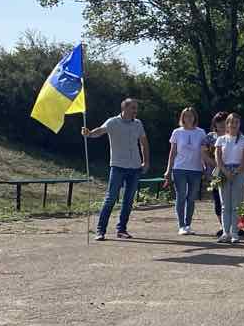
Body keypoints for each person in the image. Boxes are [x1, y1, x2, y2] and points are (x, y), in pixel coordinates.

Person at [83, 97, 149, 240]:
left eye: (136, 108)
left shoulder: (138, 124)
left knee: (128, 201)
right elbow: (100, 131)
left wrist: (146, 162)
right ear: (124, 108)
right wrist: (89, 134)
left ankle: (121, 230)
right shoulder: (113, 122)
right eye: (133, 108)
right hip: (118, 166)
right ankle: (100, 231)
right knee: (111, 198)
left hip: (135, 167)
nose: (135, 111)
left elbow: (144, 143)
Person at [163, 107, 208, 235]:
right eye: (186, 116)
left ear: (195, 117)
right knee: (181, 196)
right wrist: (168, 170)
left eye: (191, 116)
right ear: (182, 118)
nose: (188, 118)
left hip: (196, 169)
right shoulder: (177, 132)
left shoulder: (201, 132)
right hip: (179, 168)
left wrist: (205, 167)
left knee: (191, 197)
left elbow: (204, 151)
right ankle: (181, 225)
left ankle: (188, 225)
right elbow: (172, 152)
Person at [213, 113, 244, 244]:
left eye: (236, 122)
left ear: (239, 124)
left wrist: (236, 171)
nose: (234, 125)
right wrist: (225, 171)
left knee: (236, 205)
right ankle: (225, 233)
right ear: (227, 124)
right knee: (225, 205)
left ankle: (235, 233)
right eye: (231, 122)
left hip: (239, 172)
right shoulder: (221, 139)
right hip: (223, 172)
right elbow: (218, 158)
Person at [204, 111, 229, 238]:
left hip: (231, 172)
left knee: (233, 200)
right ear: (215, 124)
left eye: (225, 122)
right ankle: (223, 226)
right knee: (218, 200)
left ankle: (234, 225)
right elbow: (203, 154)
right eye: (219, 122)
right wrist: (217, 165)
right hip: (214, 173)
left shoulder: (234, 137)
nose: (222, 125)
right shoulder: (209, 137)